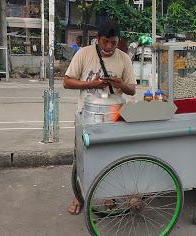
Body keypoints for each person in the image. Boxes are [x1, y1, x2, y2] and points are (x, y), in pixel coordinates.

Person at [63, 19, 137, 215]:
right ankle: (78, 195)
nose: (109, 46)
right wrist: (91, 84)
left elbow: (131, 90)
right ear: (97, 39)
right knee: (81, 157)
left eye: (113, 42)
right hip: (86, 117)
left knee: (111, 158)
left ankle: (109, 195)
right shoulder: (84, 53)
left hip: (114, 119)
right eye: (105, 41)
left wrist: (120, 84)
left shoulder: (124, 59)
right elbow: (67, 82)